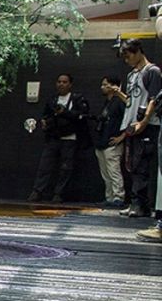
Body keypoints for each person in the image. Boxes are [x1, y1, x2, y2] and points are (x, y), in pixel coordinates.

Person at [28, 73, 88, 203]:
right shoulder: (52, 100)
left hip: (69, 138)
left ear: (70, 84)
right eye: (59, 81)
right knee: (45, 165)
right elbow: (45, 115)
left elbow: (81, 116)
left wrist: (64, 113)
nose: (61, 84)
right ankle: (37, 191)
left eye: (65, 82)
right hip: (53, 137)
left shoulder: (76, 99)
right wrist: (45, 122)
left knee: (65, 168)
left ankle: (59, 193)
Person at [119, 39, 160, 220]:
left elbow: (154, 99)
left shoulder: (152, 72)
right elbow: (130, 99)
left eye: (128, 56)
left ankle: (142, 204)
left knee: (143, 165)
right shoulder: (132, 75)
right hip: (132, 125)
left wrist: (143, 122)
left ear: (137, 52)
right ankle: (135, 201)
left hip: (147, 125)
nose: (127, 60)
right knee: (133, 165)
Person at [93, 75, 127, 208]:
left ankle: (119, 196)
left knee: (114, 170)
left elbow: (128, 120)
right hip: (103, 140)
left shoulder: (119, 102)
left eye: (106, 85)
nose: (103, 87)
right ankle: (110, 197)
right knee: (105, 172)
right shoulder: (108, 102)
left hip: (113, 141)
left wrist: (122, 137)